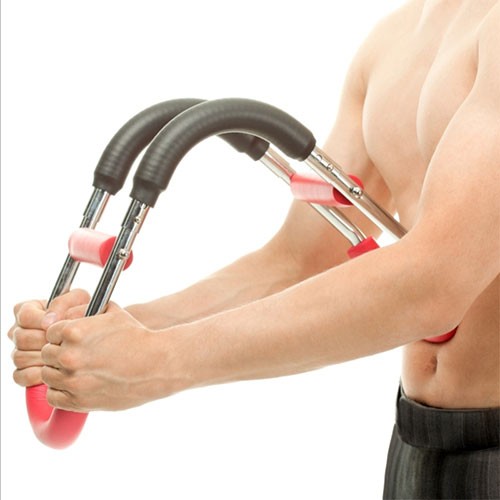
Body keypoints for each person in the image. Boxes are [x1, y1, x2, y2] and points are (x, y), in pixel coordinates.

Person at [8, 0, 499, 497]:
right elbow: (298, 262)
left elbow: (436, 281)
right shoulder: (394, 38)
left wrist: (158, 362)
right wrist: (112, 334)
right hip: (417, 440)